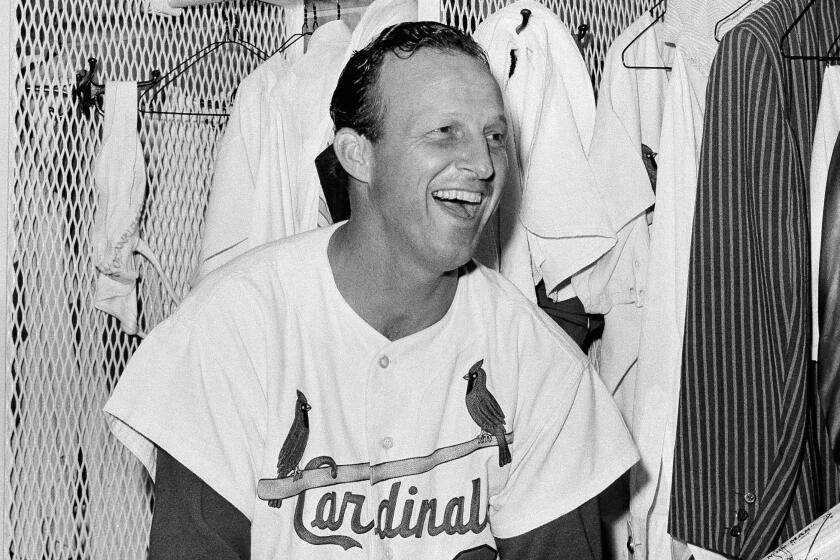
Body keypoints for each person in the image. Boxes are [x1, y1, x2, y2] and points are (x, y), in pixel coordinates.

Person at [104, 21, 638, 559]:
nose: (482, 165)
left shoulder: (539, 361)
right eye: (444, 132)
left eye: (494, 136)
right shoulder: (232, 330)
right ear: (356, 154)